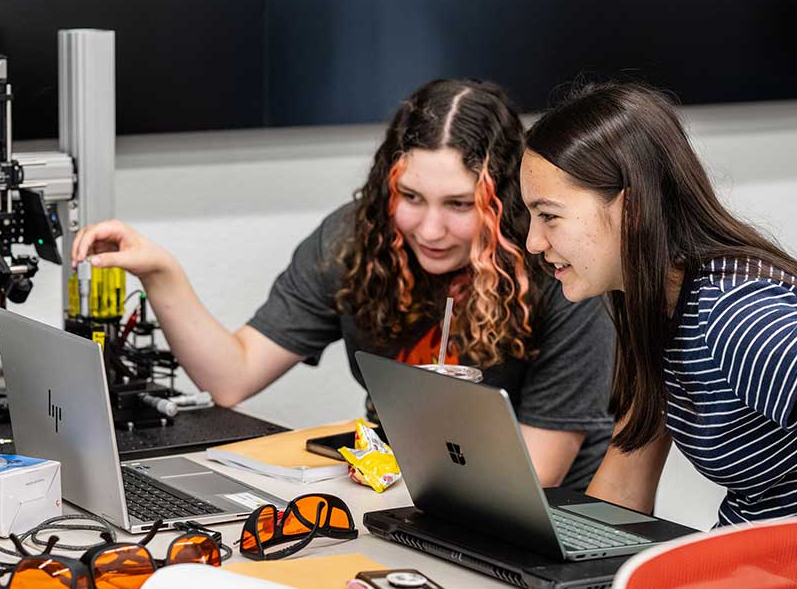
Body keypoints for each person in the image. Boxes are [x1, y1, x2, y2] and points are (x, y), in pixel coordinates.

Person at [71, 78, 616, 489]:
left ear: (503, 200)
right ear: (388, 186)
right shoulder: (355, 242)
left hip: (540, 517)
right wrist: (161, 273)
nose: (430, 229)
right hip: (402, 496)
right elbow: (231, 377)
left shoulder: (555, 267)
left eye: (459, 205)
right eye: (411, 199)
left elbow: (540, 469)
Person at [520, 81, 797, 522]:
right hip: (755, 561)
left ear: (631, 210)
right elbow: (625, 488)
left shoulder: (732, 311)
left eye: (549, 216)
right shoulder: (653, 308)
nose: (534, 242)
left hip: (796, 573)